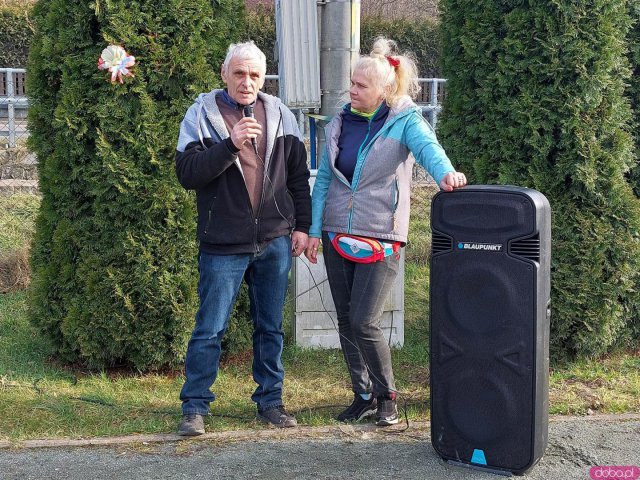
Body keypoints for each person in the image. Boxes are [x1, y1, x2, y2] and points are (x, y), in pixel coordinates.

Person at [304, 38, 467, 426]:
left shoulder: (404, 120)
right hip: (335, 231)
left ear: (383, 90)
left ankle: (387, 395)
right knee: (345, 319)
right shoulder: (340, 122)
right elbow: (325, 178)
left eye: (360, 85)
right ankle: (362, 395)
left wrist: (446, 173)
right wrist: (313, 229)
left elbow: (428, 147)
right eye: (352, 83)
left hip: (382, 235)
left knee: (364, 320)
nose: (352, 90)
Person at [175, 41, 311, 435]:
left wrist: (301, 227)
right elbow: (188, 173)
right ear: (224, 75)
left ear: (263, 77)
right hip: (223, 244)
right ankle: (194, 408)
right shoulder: (200, 115)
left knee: (270, 327)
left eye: (255, 74)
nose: (247, 81)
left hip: (275, 240)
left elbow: (299, 179)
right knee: (210, 328)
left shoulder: (282, 114)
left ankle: (270, 402)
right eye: (239, 73)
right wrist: (229, 144)